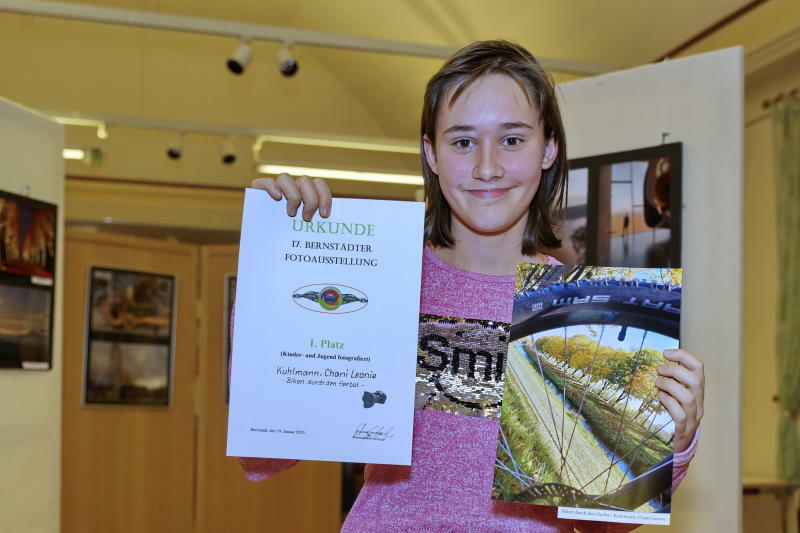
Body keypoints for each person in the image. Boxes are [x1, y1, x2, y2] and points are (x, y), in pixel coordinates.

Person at [238, 40, 704, 532]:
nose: (487, 167)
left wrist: (679, 440)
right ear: (431, 153)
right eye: (462, 141)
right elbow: (263, 457)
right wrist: (273, 275)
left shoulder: (580, 304)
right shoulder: (379, 279)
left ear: (548, 149)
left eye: (512, 140)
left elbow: (603, 524)